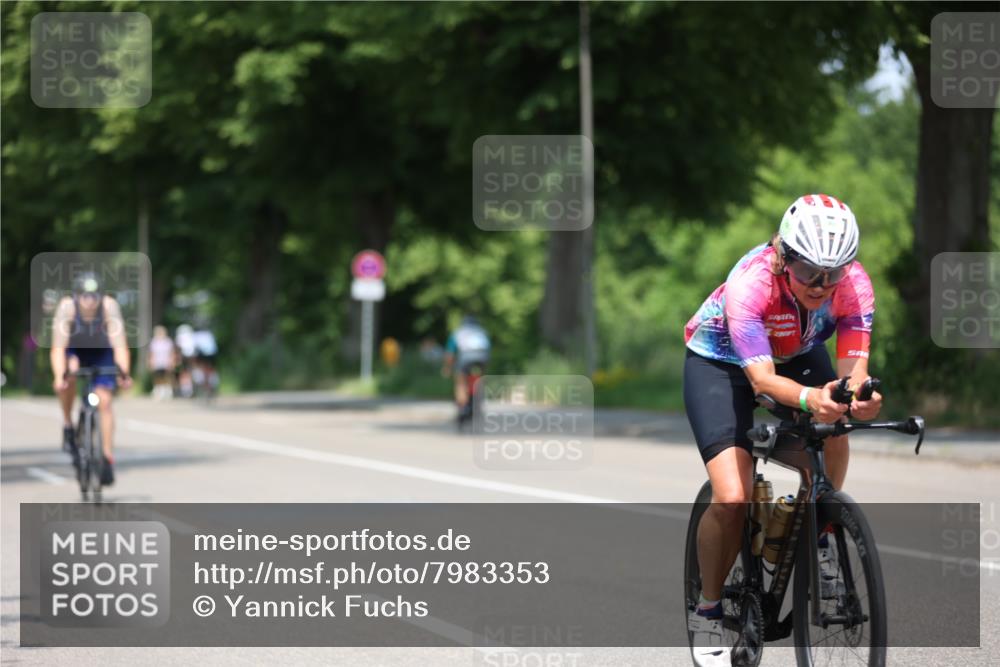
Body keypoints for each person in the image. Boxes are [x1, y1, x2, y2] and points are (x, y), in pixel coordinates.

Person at [682, 194, 882, 667]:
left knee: (836, 433)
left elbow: (854, 372)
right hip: (723, 364)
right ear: (784, 256)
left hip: (797, 354)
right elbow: (763, 383)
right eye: (810, 271)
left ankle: (821, 530)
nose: (821, 284)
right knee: (732, 495)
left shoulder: (853, 286)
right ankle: (708, 610)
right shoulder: (751, 283)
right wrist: (815, 399)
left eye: (834, 274)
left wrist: (861, 399)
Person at [50, 271, 132, 485]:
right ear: (77, 296)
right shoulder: (67, 308)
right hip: (74, 350)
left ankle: (106, 457)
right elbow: (58, 348)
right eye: (84, 295)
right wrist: (60, 376)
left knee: (104, 401)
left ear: (101, 296)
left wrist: (124, 373)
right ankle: (68, 424)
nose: (89, 300)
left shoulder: (109, 307)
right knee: (68, 376)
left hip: (100, 352)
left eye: (94, 295)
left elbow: (120, 345)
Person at [441, 315, 491, 416]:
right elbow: (488, 349)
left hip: (466, 357)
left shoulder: (459, 332)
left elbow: (450, 354)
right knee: (480, 379)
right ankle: (478, 400)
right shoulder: (482, 332)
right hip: (482, 358)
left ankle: (463, 406)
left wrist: (447, 368)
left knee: (461, 381)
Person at [147, 325, 177, 400]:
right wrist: (150, 362)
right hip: (157, 362)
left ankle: (167, 391)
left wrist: (172, 361)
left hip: (166, 362)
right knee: (157, 377)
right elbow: (151, 353)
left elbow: (172, 352)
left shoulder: (168, 341)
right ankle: (158, 390)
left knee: (167, 377)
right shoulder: (154, 342)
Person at [174, 324, 197, 398]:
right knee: (188, 373)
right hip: (190, 357)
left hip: (184, 356)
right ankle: (188, 390)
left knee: (184, 373)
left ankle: (186, 390)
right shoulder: (192, 337)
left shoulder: (180, 337)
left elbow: (178, 348)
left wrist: (177, 358)